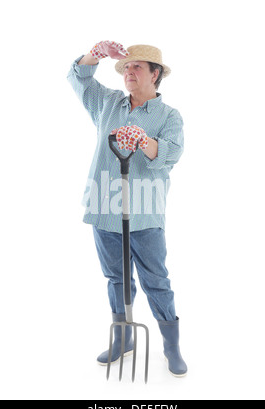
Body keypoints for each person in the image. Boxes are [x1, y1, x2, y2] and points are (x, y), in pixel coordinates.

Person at [67, 41, 187, 377]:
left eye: (137, 67)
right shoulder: (106, 104)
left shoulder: (169, 116)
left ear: (155, 74)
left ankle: (171, 346)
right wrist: (95, 53)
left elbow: (171, 155)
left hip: (145, 212)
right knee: (116, 279)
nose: (129, 72)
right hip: (105, 206)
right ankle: (123, 338)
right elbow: (79, 78)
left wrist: (144, 141)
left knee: (156, 281)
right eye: (126, 67)